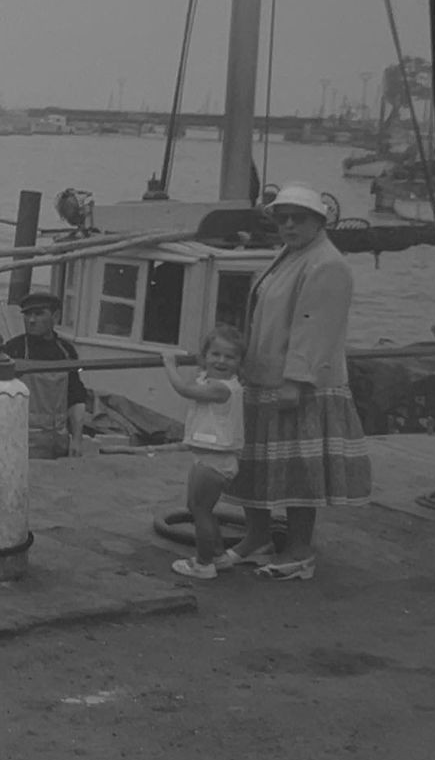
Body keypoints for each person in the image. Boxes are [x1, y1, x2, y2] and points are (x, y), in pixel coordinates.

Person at [225, 182, 372, 582]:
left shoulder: (327, 263)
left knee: (297, 471)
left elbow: (314, 328)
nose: (288, 225)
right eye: (282, 217)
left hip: (298, 384)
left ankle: (300, 550)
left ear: (318, 222)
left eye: (298, 218)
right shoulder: (289, 254)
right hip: (263, 375)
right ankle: (257, 538)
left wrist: (295, 380)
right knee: (254, 463)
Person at [159, 325, 246, 579]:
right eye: (215, 354)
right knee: (197, 506)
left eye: (230, 357)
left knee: (201, 510)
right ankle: (218, 556)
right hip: (210, 456)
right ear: (204, 357)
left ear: (239, 362)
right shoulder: (211, 380)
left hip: (215, 460)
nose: (221, 361)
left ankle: (203, 563)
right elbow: (198, 379)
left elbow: (184, 390)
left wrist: (170, 364)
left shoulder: (223, 388)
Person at [4, 291, 88, 458]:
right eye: (27, 314)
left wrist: (77, 440)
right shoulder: (14, 350)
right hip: (23, 443)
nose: (31, 320)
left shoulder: (66, 352)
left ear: (56, 317)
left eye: (39, 314)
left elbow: (76, 398)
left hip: (59, 442)